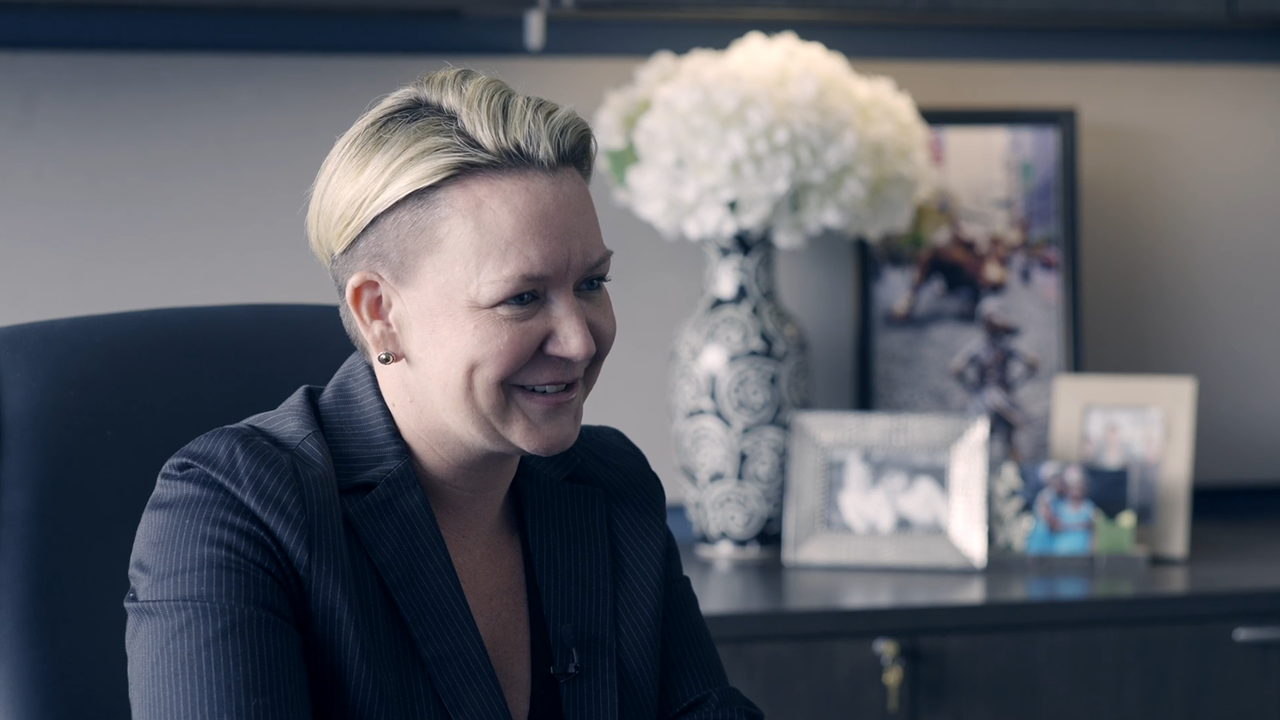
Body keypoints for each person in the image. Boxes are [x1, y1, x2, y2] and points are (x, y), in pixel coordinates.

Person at [124, 68, 761, 720]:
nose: (579, 341)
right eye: (522, 297)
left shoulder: (609, 482)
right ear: (381, 313)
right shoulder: (232, 511)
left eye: (592, 284)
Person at [948, 297, 1039, 464]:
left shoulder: (1006, 346)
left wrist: (1015, 382)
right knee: (982, 441)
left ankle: (1016, 475)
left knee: (1009, 440)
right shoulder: (978, 347)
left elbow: (1033, 362)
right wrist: (973, 387)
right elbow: (956, 368)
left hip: (1000, 396)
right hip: (986, 400)